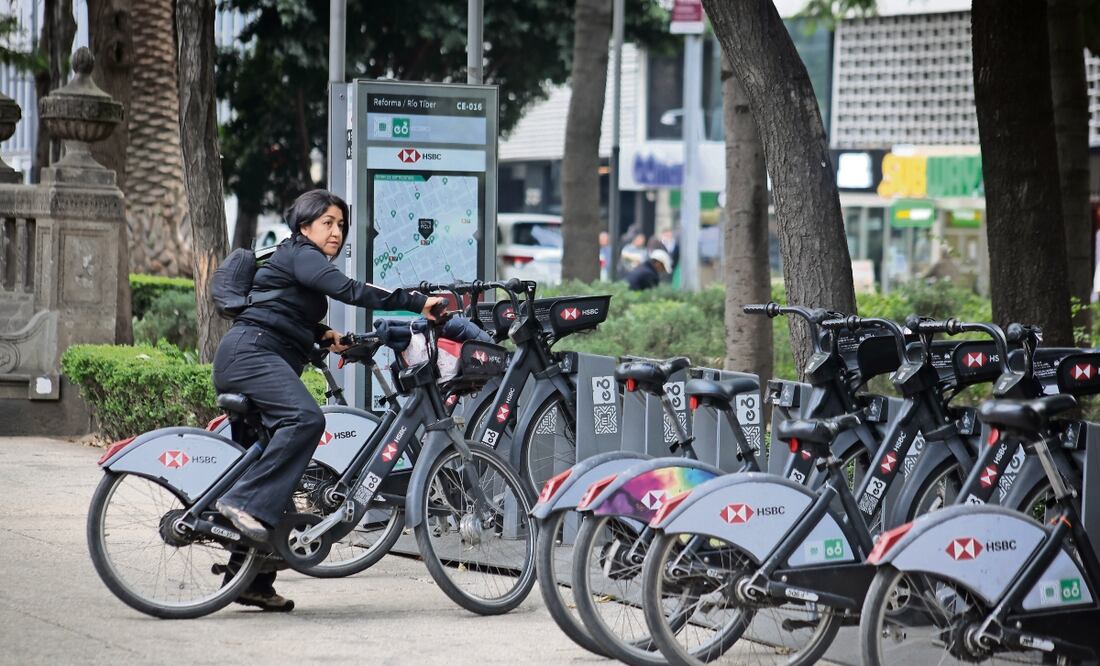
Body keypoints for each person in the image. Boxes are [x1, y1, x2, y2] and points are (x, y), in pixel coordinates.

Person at [212, 189, 443, 611]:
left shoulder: (296, 261)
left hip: (255, 352)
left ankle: (250, 580)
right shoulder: (302, 253)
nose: (336, 232)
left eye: (341, 225)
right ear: (304, 226)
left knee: (280, 466)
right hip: (252, 354)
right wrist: (415, 302)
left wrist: (323, 336)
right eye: (327, 223)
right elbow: (351, 289)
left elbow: (280, 308)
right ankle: (241, 503)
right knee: (306, 421)